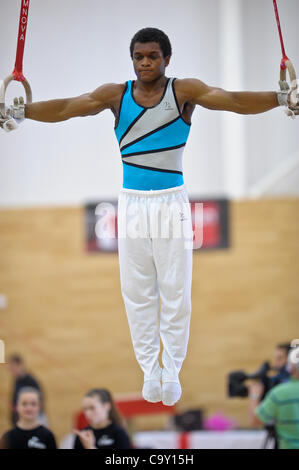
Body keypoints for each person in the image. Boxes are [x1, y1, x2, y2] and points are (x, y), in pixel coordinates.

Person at [1, 28, 298, 406]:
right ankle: (149, 370)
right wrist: (21, 112)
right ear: (133, 60)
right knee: (137, 292)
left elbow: (232, 100)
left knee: (176, 290)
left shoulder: (183, 91)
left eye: (152, 56)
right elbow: (67, 108)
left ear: (166, 59)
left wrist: (280, 97)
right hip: (132, 203)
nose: (145, 63)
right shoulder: (116, 95)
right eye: (139, 56)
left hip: (172, 201)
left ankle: (171, 368)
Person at [249, 347, 299, 449]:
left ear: (290, 367)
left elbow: (256, 421)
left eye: (280, 358)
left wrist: (254, 395)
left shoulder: (279, 393)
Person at [6, 353, 47, 426]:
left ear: (19, 365)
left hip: (32, 419)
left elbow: (39, 400)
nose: (11, 370)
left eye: (13, 367)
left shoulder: (30, 381)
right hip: (19, 419)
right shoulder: (16, 380)